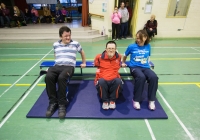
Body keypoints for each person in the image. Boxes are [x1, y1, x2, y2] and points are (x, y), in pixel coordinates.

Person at [45, 26, 86, 119]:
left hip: (69, 66)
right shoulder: (55, 44)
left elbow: (82, 52)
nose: (68, 38)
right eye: (65, 36)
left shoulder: (75, 43)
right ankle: (53, 102)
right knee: (48, 77)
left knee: (61, 78)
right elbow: (55, 54)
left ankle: (62, 104)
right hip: (57, 66)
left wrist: (83, 62)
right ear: (60, 37)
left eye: (69, 35)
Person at [121, 30, 158, 111]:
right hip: (134, 67)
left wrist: (148, 64)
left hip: (145, 67)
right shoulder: (131, 46)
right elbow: (124, 55)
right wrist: (123, 62)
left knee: (154, 77)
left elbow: (148, 56)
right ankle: (136, 100)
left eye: (140, 38)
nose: (138, 40)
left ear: (145, 38)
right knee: (141, 77)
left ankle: (151, 100)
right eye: (137, 38)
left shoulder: (148, 46)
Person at [94, 41, 123, 110]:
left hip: (114, 78)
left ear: (116, 49)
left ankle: (112, 101)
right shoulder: (99, 57)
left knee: (118, 81)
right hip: (103, 79)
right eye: (109, 48)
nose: (111, 50)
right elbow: (96, 64)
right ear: (106, 49)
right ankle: (105, 101)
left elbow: (120, 63)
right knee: (101, 81)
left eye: (113, 48)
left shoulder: (119, 56)